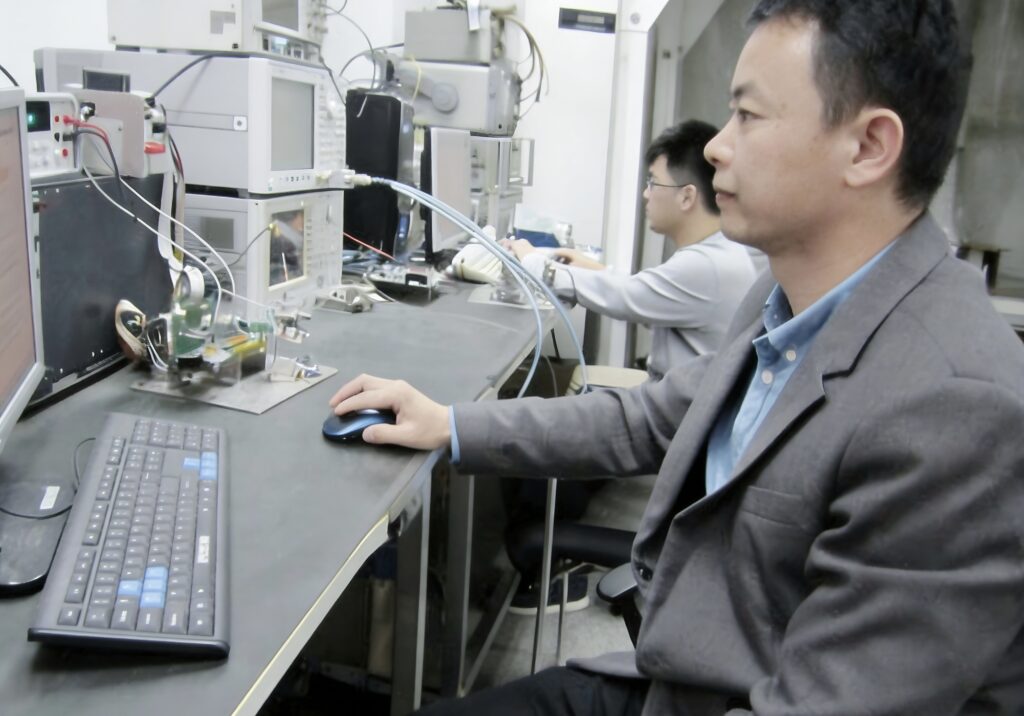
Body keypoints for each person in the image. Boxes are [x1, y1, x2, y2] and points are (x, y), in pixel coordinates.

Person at [329, 1, 1024, 713]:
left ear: (869, 146)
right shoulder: (783, 294)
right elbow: (646, 419)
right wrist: (448, 425)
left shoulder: (956, 406)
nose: (719, 147)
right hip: (671, 682)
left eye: (748, 117)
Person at [503, 119, 761, 381]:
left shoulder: (707, 266)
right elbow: (652, 294)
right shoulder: (718, 251)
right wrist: (596, 268)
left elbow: (626, 297)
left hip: (677, 414)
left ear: (686, 196)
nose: (646, 194)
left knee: (546, 390)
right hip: (675, 396)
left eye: (653, 182)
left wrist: (532, 261)